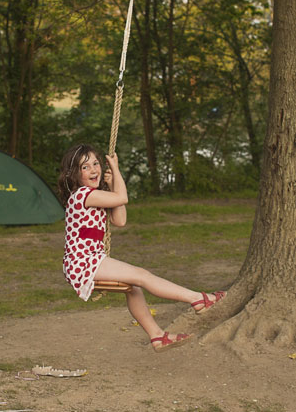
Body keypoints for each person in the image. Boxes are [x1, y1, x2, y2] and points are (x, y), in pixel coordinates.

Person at [58, 144, 226, 353]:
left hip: (89, 259)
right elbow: (123, 198)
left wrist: (111, 186)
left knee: (134, 288)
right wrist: (116, 171)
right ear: (74, 173)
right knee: (141, 275)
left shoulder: (96, 195)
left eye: (96, 163)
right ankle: (198, 299)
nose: (94, 170)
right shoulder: (83, 194)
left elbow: (120, 220)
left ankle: (157, 336)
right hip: (82, 261)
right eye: (85, 167)